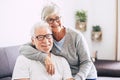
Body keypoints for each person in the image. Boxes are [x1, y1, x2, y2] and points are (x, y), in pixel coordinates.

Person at [20, 3, 97, 80]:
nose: (55, 23)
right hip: (65, 76)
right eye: (50, 20)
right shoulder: (47, 39)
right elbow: (23, 48)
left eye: (57, 18)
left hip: (85, 76)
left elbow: (87, 62)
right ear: (44, 22)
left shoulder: (76, 36)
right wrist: (44, 58)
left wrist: (78, 78)